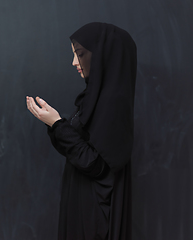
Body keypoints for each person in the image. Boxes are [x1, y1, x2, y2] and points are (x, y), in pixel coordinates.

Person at [26, 22, 137, 240]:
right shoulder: (93, 100)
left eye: (80, 53)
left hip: (93, 213)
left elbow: (96, 165)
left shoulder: (113, 104)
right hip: (82, 202)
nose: (74, 62)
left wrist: (57, 124)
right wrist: (54, 124)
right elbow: (79, 150)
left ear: (103, 56)